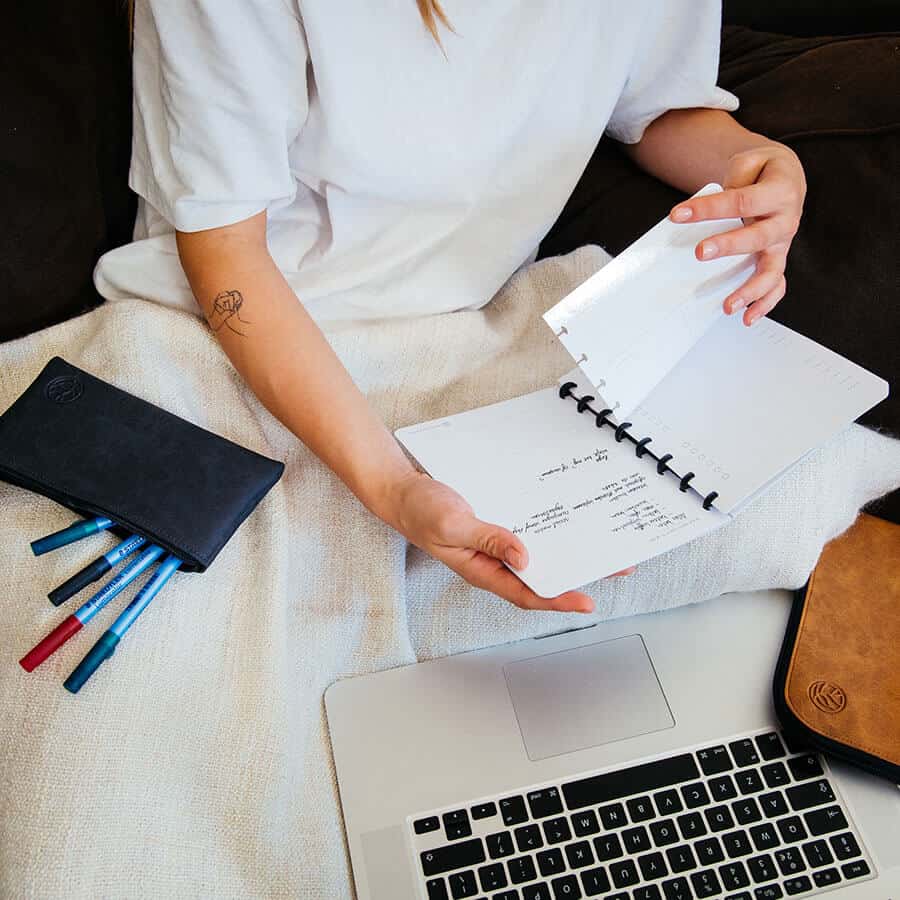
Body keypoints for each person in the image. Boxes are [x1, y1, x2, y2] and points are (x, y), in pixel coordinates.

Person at [96, 0, 806, 615]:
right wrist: (393, 485)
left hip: (484, 328)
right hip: (241, 343)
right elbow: (227, 258)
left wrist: (760, 164)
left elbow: (655, 105)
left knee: (768, 531)